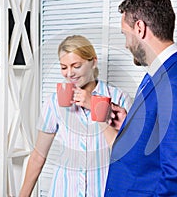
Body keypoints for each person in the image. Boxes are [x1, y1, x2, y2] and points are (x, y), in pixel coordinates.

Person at [104, 0, 177, 196]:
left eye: (125, 35)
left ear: (140, 28)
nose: (126, 44)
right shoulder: (160, 74)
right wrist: (130, 126)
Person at [19, 35, 132, 197]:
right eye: (63, 67)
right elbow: (38, 155)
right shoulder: (54, 102)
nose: (69, 73)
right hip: (63, 191)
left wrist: (95, 105)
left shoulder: (119, 99)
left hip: (102, 192)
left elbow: (126, 155)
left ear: (93, 62)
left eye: (76, 66)